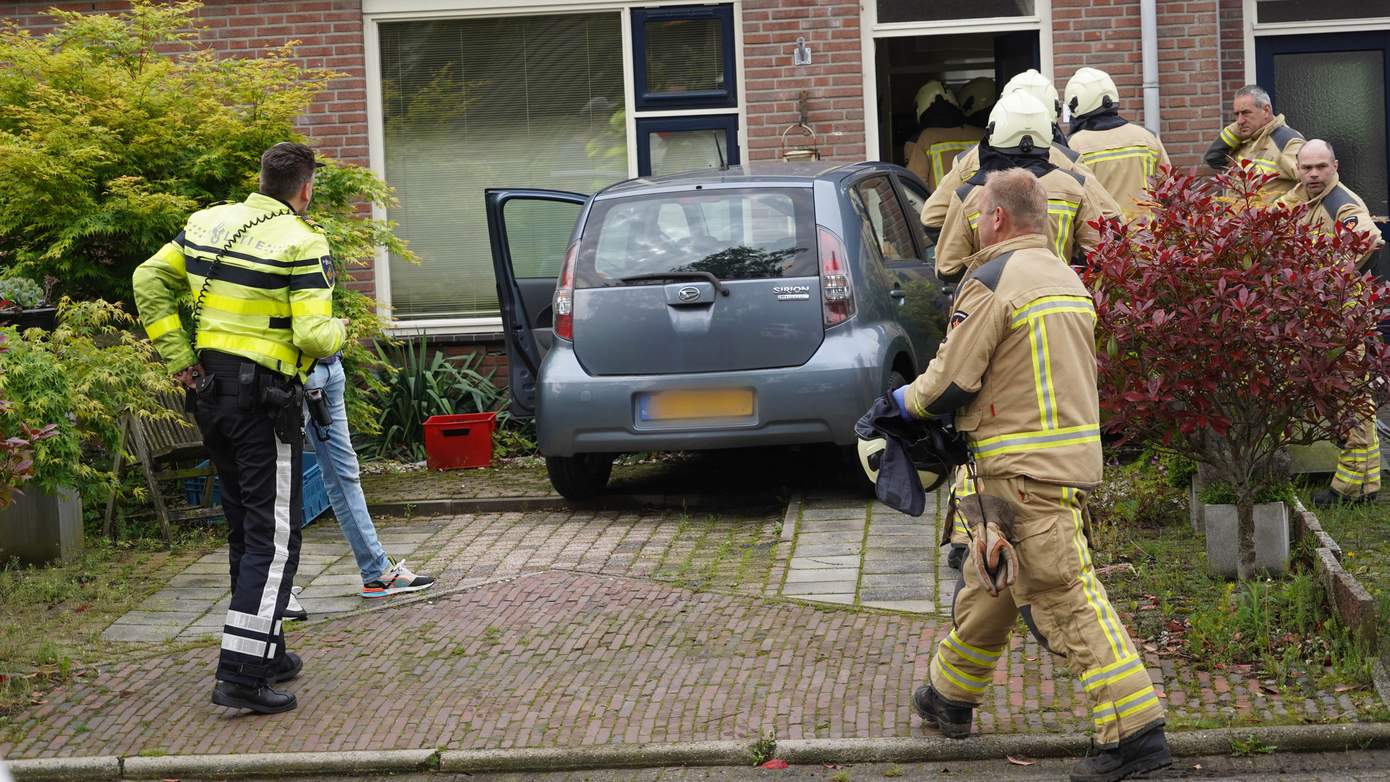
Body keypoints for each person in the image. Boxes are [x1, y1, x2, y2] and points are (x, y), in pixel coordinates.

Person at [893, 168, 1172, 782]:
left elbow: (952, 377)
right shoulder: (1066, 276)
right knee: (989, 579)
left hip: (1019, 467)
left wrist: (898, 405)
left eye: (977, 213)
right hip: (1051, 461)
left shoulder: (991, 279)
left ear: (995, 218)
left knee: (1062, 597)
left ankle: (1134, 733)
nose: (971, 221)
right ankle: (950, 695)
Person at [133, 142, 347, 714]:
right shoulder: (304, 241)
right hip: (264, 404)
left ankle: (267, 648)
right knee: (275, 538)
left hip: (211, 396)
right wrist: (340, 330)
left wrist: (181, 358)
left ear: (262, 180)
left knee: (245, 529)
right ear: (305, 190)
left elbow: (147, 281)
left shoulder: (207, 222)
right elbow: (311, 336)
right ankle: (242, 676)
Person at [1276, 140, 1386, 507]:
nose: (1313, 174)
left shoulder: (1341, 202)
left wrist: (1330, 284)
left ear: (1334, 165)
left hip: (1341, 316)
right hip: (1328, 315)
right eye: (1307, 168)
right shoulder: (1311, 198)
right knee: (1347, 396)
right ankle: (1364, 484)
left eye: (1321, 167)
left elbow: (1369, 240)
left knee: (1351, 395)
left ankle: (1350, 486)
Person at [296, 354, 435, 613]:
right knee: (279, 479)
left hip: (330, 365)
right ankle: (272, 590)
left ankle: (377, 572)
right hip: (299, 372)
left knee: (345, 475)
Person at [920, 71, 1115, 247]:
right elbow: (1109, 219)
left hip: (991, 282)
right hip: (1059, 280)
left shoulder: (967, 160)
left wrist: (975, 256)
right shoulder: (1068, 160)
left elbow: (932, 220)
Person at [1064, 67, 1171, 221]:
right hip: (1148, 239)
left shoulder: (1073, 146)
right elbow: (1170, 190)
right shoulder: (1147, 138)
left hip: (1104, 240)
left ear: (1075, 103)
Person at [1202, 84, 1304, 200]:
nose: (1239, 121)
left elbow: (1310, 184)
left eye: (1246, 113)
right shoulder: (1246, 140)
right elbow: (1213, 158)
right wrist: (1234, 131)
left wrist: (1277, 209)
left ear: (1266, 110)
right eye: (1237, 114)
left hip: (1268, 218)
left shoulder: (1286, 141)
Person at [903, 80, 984, 192]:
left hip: (944, 208)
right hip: (981, 207)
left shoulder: (926, 138)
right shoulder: (981, 134)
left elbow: (914, 186)